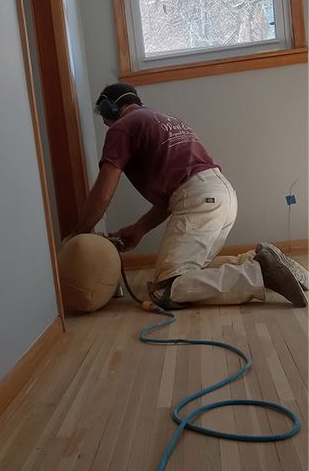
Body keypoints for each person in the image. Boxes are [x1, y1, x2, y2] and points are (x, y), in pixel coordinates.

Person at [76, 83, 307, 309]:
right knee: (194, 271)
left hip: (199, 200)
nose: (107, 126)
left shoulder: (121, 127)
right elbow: (173, 197)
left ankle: (260, 274)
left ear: (109, 109)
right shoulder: (164, 119)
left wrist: (80, 233)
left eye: (105, 120)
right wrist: (140, 228)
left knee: (167, 287)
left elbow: (103, 194)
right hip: (221, 194)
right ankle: (260, 260)